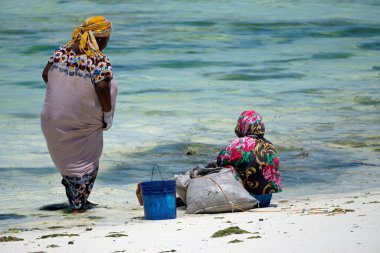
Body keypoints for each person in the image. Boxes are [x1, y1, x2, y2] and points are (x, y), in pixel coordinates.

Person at [41, 16, 118, 213]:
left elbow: (46, 74)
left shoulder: (62, 51)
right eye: (107, 38)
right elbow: (102, 87)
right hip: (82, 122)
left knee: (68, 163)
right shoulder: (98, 59)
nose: (107, 42)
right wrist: (107, 115)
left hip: (54, 119)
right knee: (87, 164)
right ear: (99, 38)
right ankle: (78, 208)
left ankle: (76, 202)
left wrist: (66, 98)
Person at [209, 110, 282, 207]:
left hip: (247, 199)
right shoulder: (270, 145)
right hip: (266, 200)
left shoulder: (239, 144)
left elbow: (219, 162)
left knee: (226, 168)